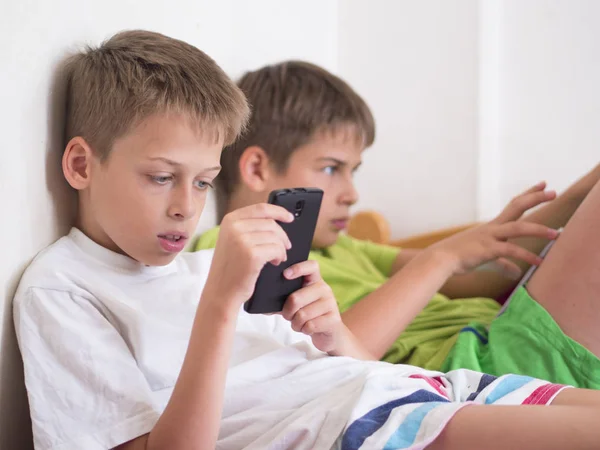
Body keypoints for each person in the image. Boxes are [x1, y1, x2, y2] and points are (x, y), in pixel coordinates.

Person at [14, 31, 600, 450]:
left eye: (203, 182)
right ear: (81, 164)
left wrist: (331, 332)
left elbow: (356, 369)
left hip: (410, 388)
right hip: (359, 420)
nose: (185, 206)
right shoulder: (61, 289)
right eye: (161, 178)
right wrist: (220, 304)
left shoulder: (215, 263)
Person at [195, 60, 600, 388]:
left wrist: (568, 204)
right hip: (477, 367)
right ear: (256, 168)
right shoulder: (228, 249)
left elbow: (487, 278)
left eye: (354, 170)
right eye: (332, 168)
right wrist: (442, 257)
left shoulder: (343, 247)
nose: (352, 193)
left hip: (497, 334)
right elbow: (334, 352)